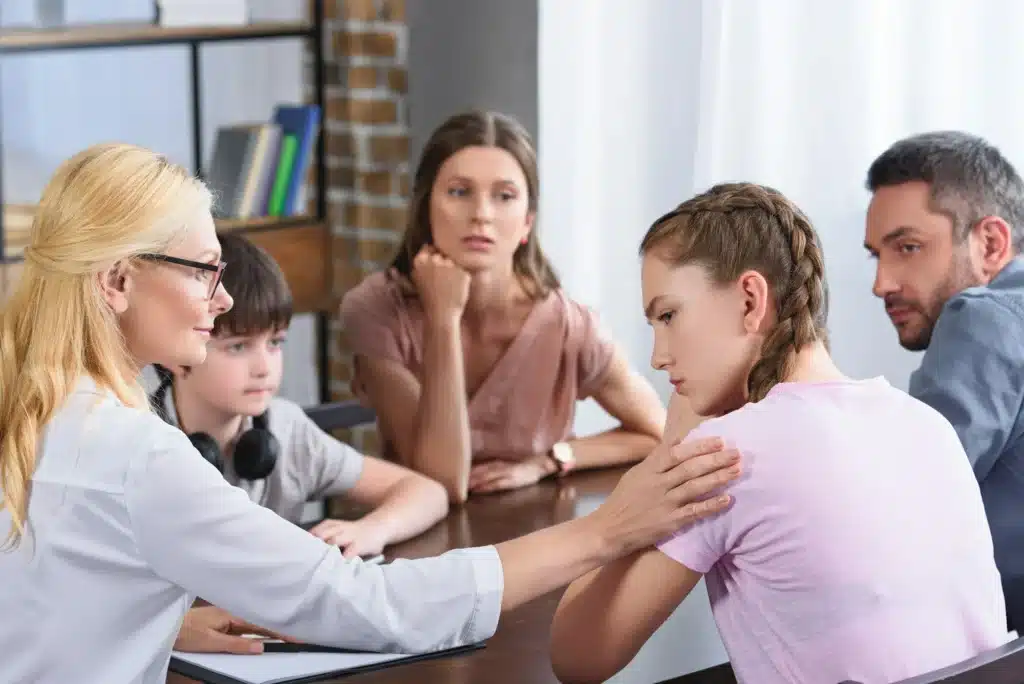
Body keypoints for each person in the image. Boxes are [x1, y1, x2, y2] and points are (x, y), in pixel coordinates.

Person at [0, 142, 742, 684]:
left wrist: (161, 626)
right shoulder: (135, 456)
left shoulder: (38, 416)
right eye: (204, 271)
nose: (222, 299)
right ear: (119, 281)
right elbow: (374, 605)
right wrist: (607, 531)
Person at [549, 183, 1009, 684]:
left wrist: (670, 452)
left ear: (750, 299)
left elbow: (576, 657)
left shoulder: (728, 455)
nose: (658, 355)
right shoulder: (925, 424)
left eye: (668, 316)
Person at [339, 110, 680, 503]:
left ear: (526, 223)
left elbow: (656, 430)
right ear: (425, 206)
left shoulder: (567, 325)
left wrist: (550, 460)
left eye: (504, 196)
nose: (481, 214)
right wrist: (443, 318)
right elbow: (445, 482)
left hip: (540, 537)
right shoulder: (376, 311)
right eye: (459, 192)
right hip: (424, 544)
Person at [151, 232, 448, 561]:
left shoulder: (287, 428)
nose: (264, 368)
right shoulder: (138, 443)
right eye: (237, 346)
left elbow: (429, 493)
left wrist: (375, 528)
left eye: (275, 342)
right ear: (175, 354)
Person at [864, 130, 1024, 631]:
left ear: (991, 243)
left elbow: (902, 502)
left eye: (907, 247)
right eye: (877, 255)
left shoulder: (984, 315)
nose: (881, 283)